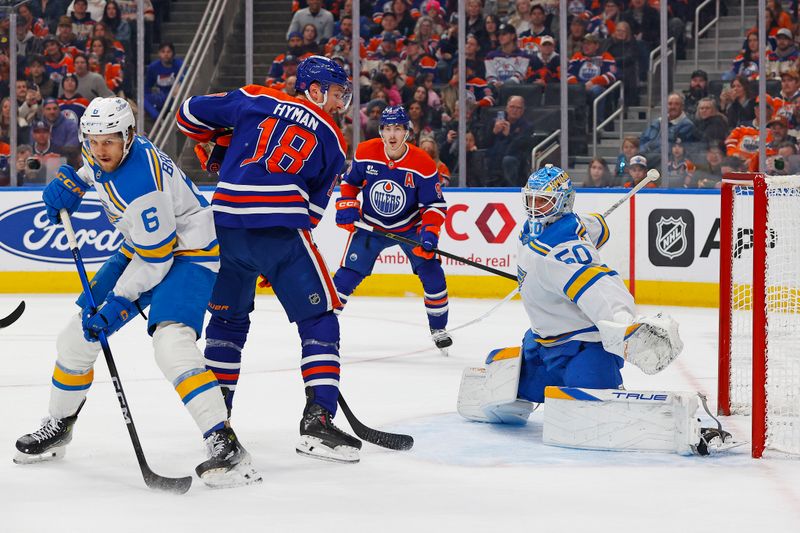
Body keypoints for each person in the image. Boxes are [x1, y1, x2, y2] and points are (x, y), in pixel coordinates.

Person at [14, 97, 260, 488]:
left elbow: (157, 260)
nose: (100, 150)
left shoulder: (142, 183)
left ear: (128, 137)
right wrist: (76, 181)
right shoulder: (104, 152)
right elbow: (95, 168)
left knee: (171, 344)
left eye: (109, 141)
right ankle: (60, 425)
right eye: (93, 141)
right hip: (143, 246)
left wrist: (118, 302)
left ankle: (226, 445)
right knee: (75, 339)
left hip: (188, 252)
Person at [455, 165, 721, 455]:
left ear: (563, 202)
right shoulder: (544, 226)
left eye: (543, 200)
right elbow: (594, 226)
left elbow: (601, 287)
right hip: (542, 347)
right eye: (531, 199)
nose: (534, 207)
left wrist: (623, 322)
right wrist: (592, 227)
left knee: (602, 409)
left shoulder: (563, 253)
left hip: (583, 350)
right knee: (511, 390)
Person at [177, 56, 362, 464]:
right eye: (335, 93)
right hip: (280, 231)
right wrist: (276, 261)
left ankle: (217, 422)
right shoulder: (333, 137)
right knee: (320, 318)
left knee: (226, 320)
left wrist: (224, 139)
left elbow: (188, 114)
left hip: (224, 226)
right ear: (314, 89)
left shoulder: (254, 97)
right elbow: (312, 214)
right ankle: (318, 419)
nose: (338, 103)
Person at [332, 106, 451, 353]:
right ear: (381, 131)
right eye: (387, 128)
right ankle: (324, 327)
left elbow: (434, 205)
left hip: (410, 227)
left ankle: (438, 328)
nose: (392, 134)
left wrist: (429, 232)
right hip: (370, 226)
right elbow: (350, 182)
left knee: (432, 273)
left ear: (408, 131)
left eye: (398, 128)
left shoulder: (424, 163)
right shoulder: (365, 152)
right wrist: (347, 206)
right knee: (346, 277)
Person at [482, 95, 533, 186]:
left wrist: (508, 135)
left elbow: (519, 147)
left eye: (518, 108)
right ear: (507, 108)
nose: (514, 110)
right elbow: (483, 143)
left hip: (515, 159)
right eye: (512, 107)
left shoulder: (527, 126)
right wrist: (493, 132)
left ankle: (513, 189)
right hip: (493, 157)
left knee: (508, 160)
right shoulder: (495, 122)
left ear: (522, 111)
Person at [639, 92, 696, 167]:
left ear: (682, 106)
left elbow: (669, 148)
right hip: (647, 158)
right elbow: (643, 139)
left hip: (666, 164)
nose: (673, 106)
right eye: (670, 104)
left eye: (676, 104)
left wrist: (648, 151)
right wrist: (642, 153)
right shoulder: (657, 122)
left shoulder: (687, 125)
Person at [144, 42, 183, 120]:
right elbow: (147, 87)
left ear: (173, 53)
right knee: (142, 98)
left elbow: (184, 79)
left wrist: (178, 86)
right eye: (163, 52)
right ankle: (157, 117)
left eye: (168, 52)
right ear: (159, 53)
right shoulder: (153, 67)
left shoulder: (179, 64)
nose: (166, 54)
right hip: (161, 97)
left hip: (175, 97)